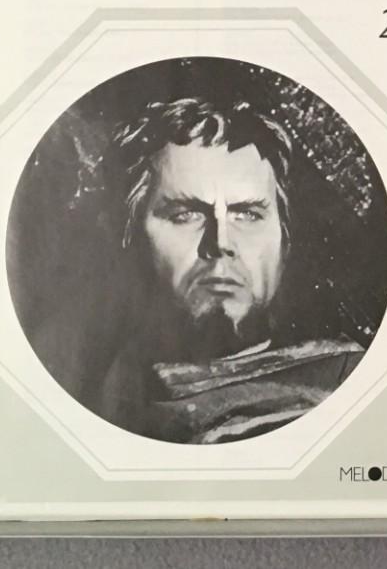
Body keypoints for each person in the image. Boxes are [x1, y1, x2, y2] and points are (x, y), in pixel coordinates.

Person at [85, 96, 362, 444]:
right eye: (186, 214)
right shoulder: (95, 395)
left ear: (284, 240)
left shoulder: (354, 392)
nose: (221, 242)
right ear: (128, 235)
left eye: (247, 214)